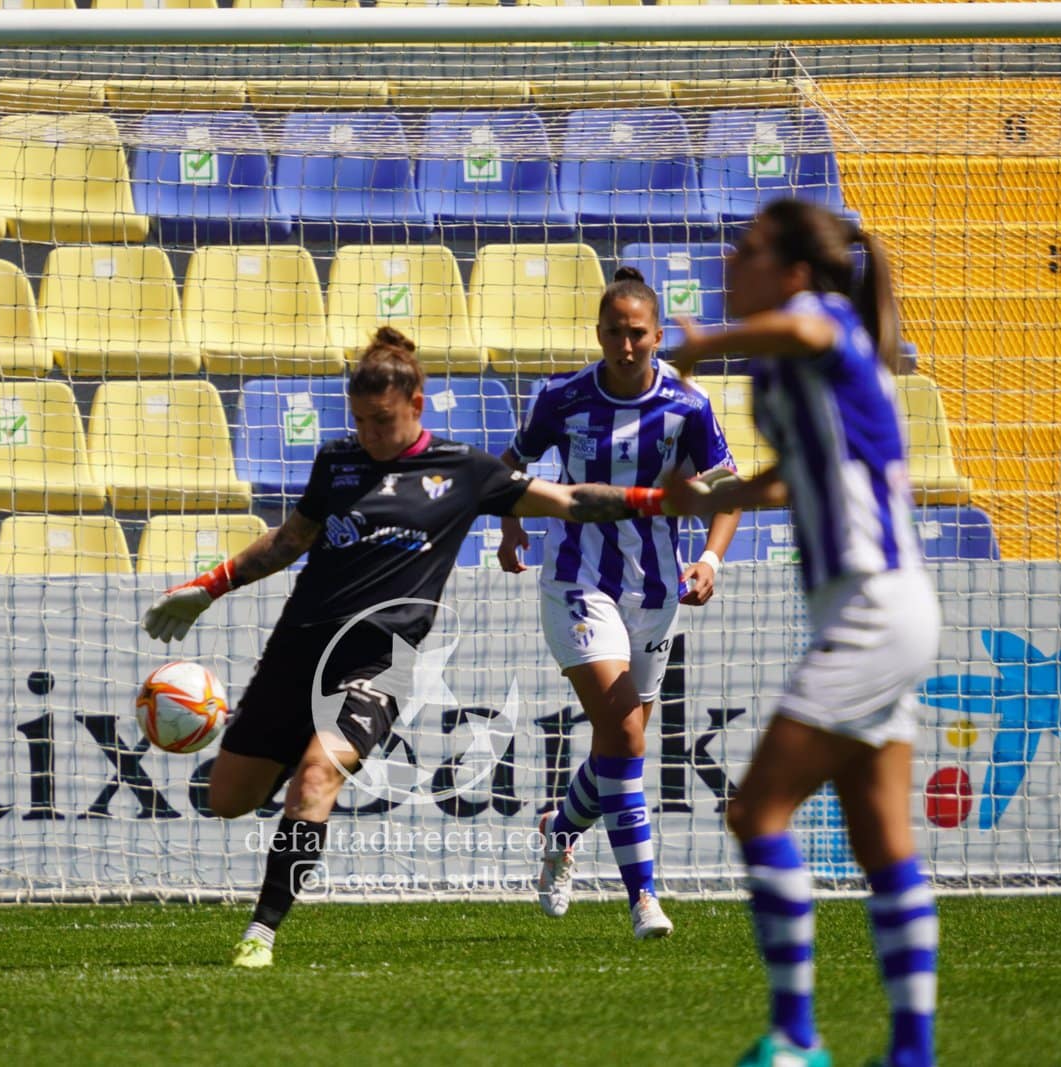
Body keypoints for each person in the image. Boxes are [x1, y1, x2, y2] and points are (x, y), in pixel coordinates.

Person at [143, 326, 681, 969]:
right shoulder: (337, 463)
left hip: (381, 663)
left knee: (318, 778)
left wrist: (659, 498)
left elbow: (568, 500)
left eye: (384, 420)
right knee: (227, 799)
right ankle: (292, 757)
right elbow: (288, 543)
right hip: (298, 648)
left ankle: (259, 937)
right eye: (362, 421)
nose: (370, 433)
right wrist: (207, 589)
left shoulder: (465, 472)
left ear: (417, 405)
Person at [663, 199, 941, 1067]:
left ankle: (796, 1037)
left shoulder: (822, 322)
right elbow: (798, 478)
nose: (727, 261)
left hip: (872, 607)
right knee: (882, 842)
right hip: (873, 606)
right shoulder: (788, 368)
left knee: (756, 810)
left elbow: (809, 333)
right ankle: (910, 1052)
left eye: (744, 250)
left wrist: (705, 344)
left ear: (789, 271)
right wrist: (717, 500)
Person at [498, 266, 742, 939]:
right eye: (614, 332)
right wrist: (511, 521)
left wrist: (711, 559)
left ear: (658, 334)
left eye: (637, 333)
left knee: (618, 738)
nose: (625, 344)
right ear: (598, 332)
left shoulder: (687, 406)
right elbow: (510, 467)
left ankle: (561, 827)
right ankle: (644, 899)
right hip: (576, 580)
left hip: (657, 591)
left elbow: (727, 492)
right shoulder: (564, 398)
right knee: (627, 734)